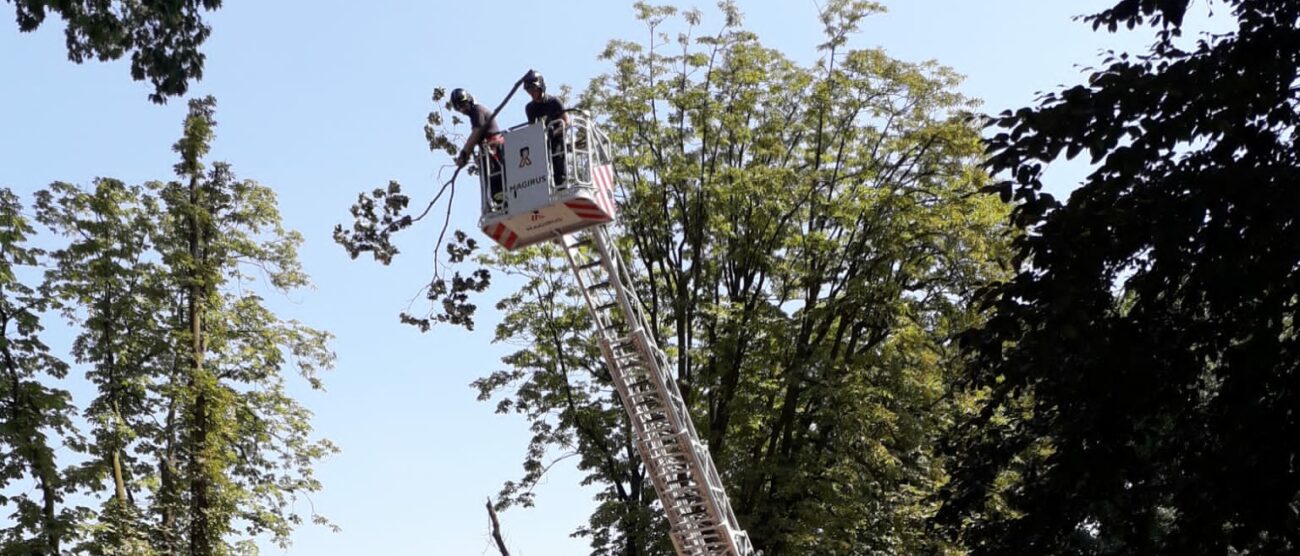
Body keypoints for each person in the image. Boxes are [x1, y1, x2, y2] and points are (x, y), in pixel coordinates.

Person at [451, 87, 506, 207]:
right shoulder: (473, 114)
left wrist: (464, 153)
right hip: (489, 152)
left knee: (496, 180)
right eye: (459, 108)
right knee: (492, 182)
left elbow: (476, 133)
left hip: (494, 150)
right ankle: (498, 202)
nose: (462, 110)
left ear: (469, 100)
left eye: (463, 105)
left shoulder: (477, 111)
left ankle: (502, 202)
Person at [522, 70, 569, 187]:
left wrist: (554, 133)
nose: (531, 93)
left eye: (533, 89)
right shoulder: (530, 108)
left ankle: (561, 185)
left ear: (540, 87)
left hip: (557, 138)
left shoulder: (554, 102)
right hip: (542, 143)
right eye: (528, 90)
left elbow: (567, 121)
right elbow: (532, 128)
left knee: (557, 157)